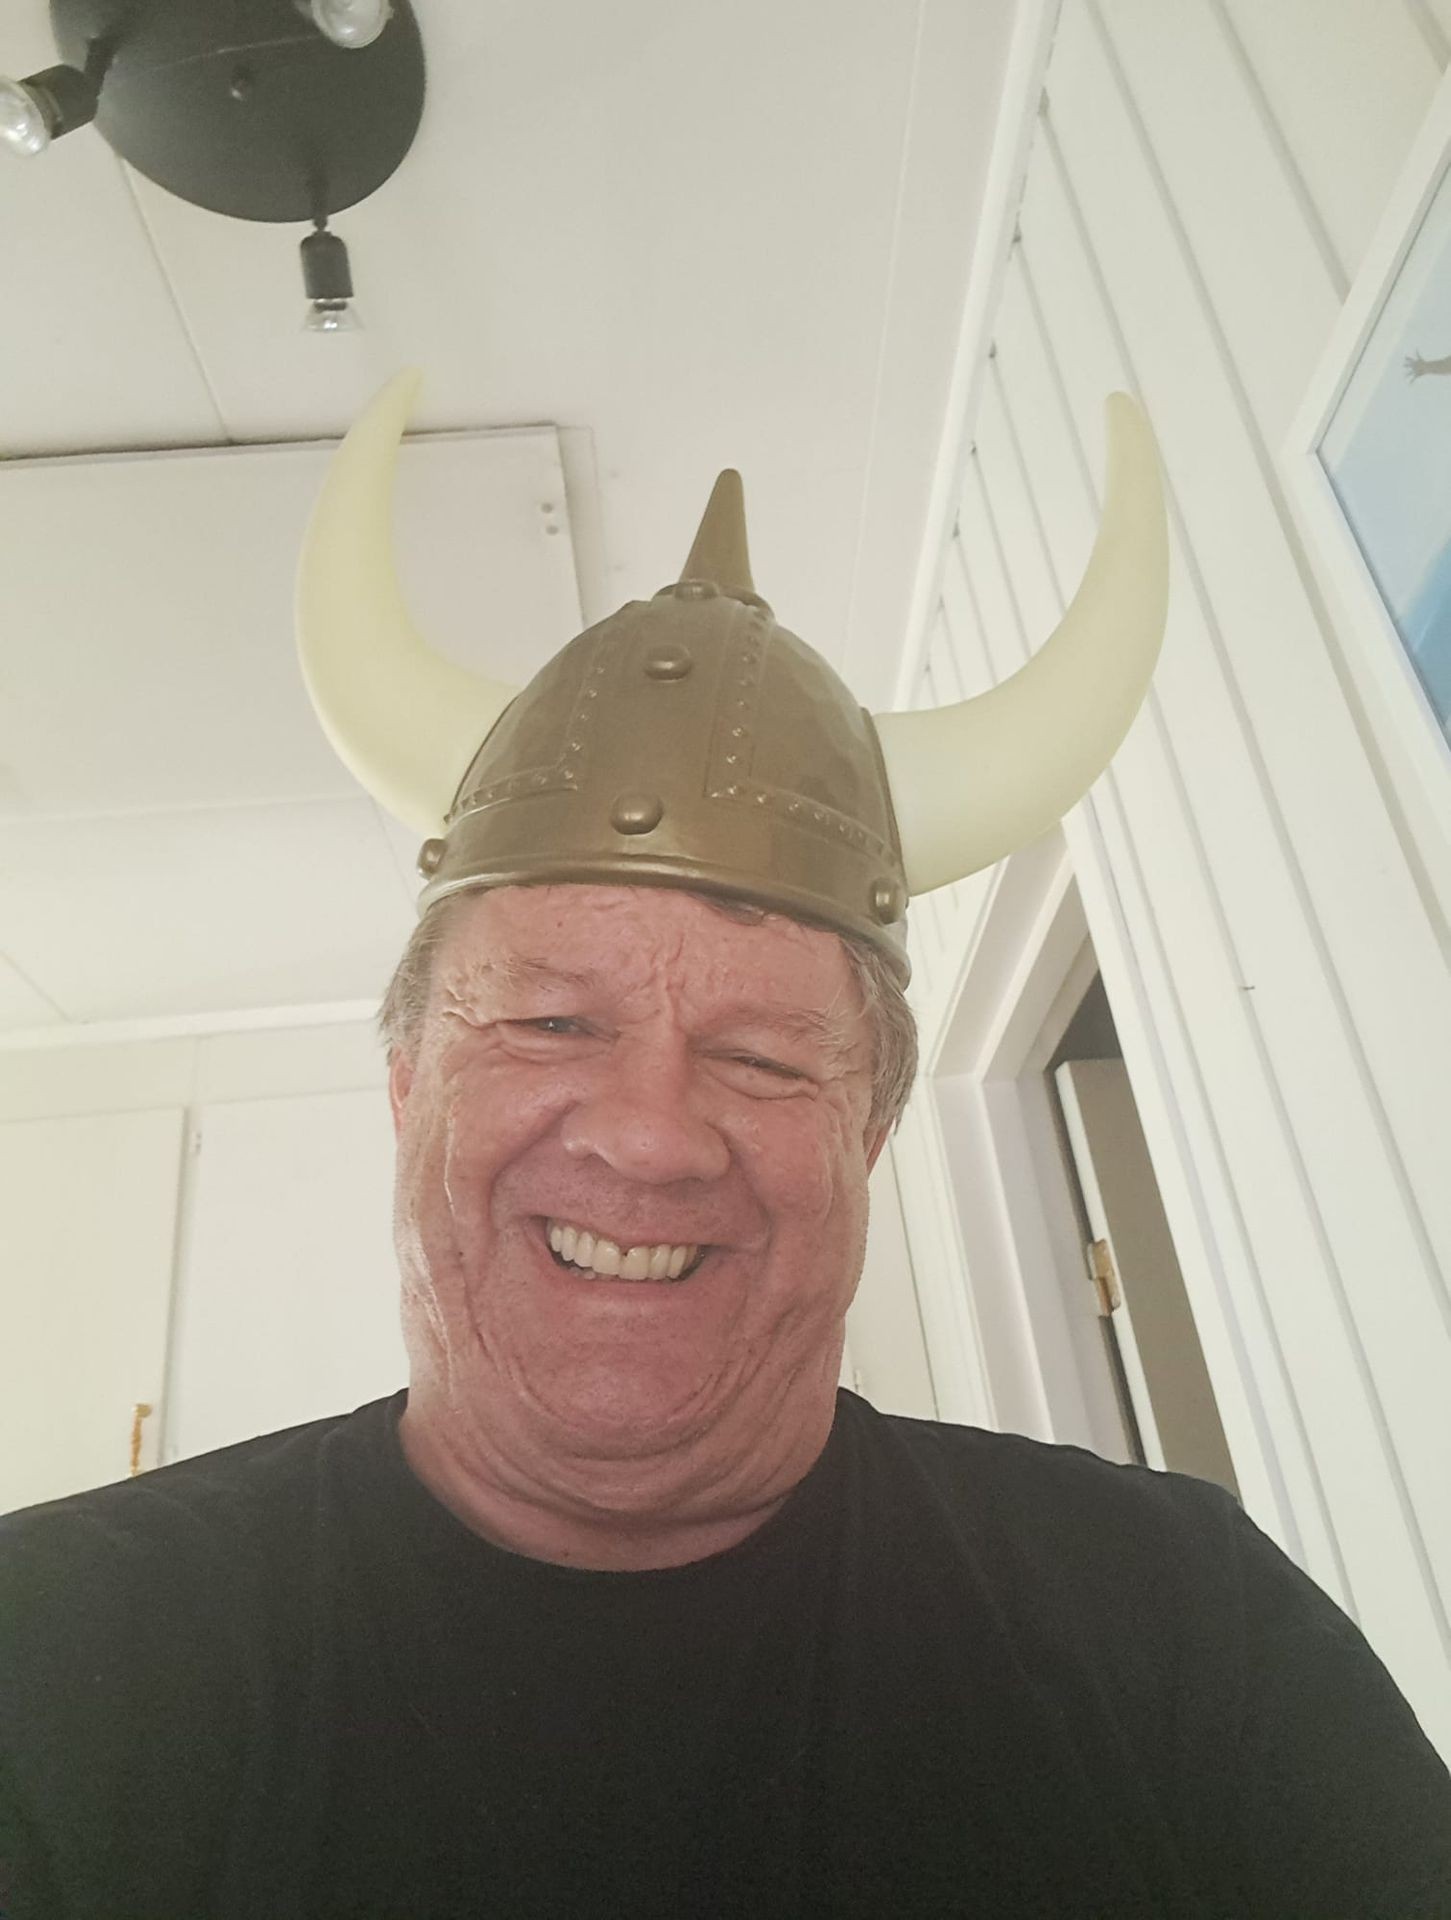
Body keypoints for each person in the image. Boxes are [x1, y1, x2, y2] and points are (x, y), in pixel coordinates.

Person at [2, 376, 1449, 1919]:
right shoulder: (50, 1656)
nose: (646, 1134)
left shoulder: (1183, 1625)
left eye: (761, 1057)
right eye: (550, 1026)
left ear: (870, 1132)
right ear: (411, 1082)